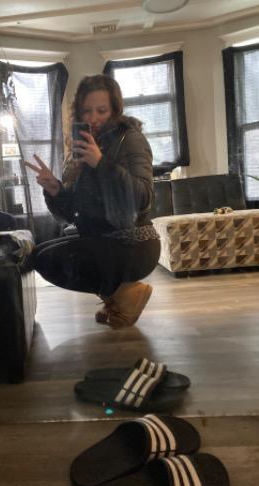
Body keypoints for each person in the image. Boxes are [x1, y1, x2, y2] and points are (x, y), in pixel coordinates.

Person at [24, 74, 160, 328]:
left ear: (115, 110)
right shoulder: (86, 145)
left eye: (101, 110)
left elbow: (143, 198)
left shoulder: (129, 139)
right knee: (38, 253)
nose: (93, 118)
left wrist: (101, 163)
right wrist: (55, 190)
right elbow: (73, 214)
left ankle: (125, 294)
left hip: (133, 241)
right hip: (102, 239)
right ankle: (119, 297)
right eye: (87, 111)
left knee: (45, 259)